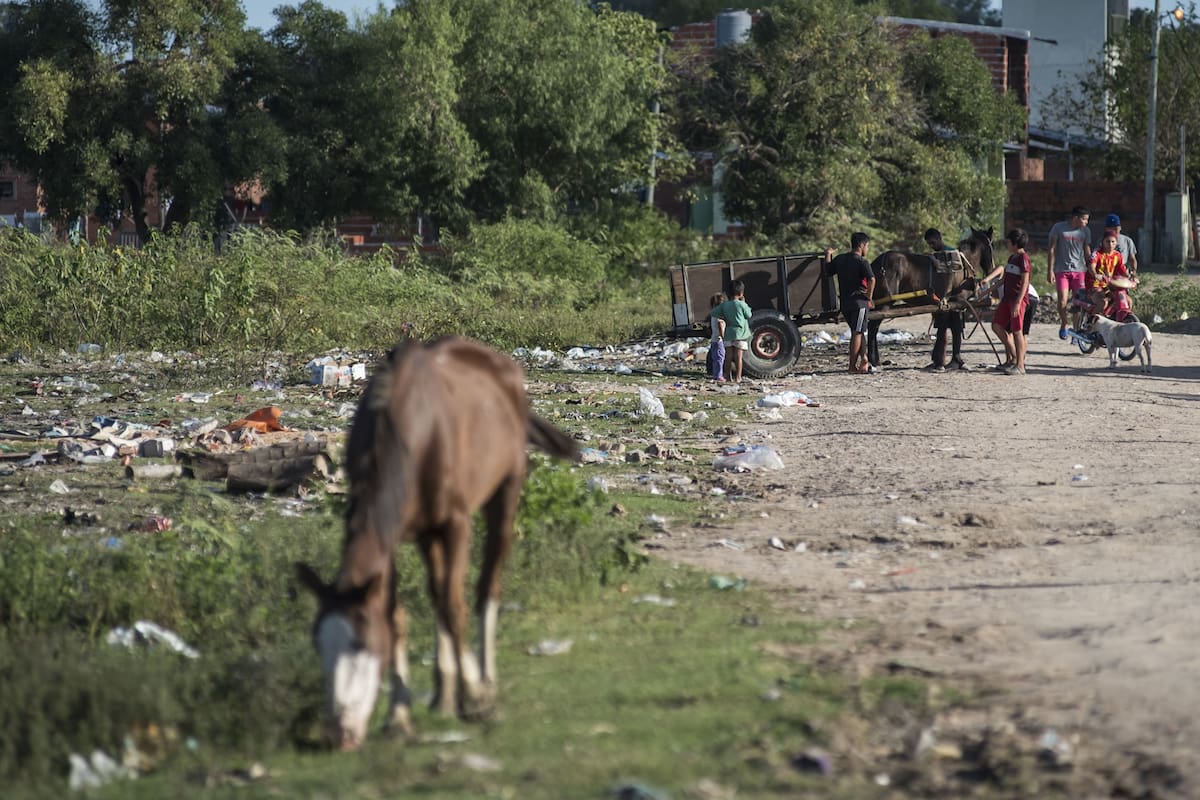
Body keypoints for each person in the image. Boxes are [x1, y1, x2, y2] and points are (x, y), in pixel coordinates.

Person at [980, 232, 1038, 372]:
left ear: (1015, 243)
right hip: (1006, 299)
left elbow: (1025, 282)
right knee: (996, 326)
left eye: (1008, 242)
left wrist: (1018, 302)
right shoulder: (1012, 258)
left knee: (1017, 331)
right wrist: (986, 291)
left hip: (1017, 300)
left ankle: (1020, 366)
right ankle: (1013, 355)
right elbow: (1003, 279)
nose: (1006, 245)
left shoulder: (1024, 259)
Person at [824, 232, 876, 374]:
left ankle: (864, 359)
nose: (867, 249)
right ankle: (852, 366)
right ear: (862, 245)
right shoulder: (862, 262)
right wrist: (868, 296)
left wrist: (828, 254)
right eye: (867, 246)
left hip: (846, 304)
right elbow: (872, 279)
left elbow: (828, 270)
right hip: (859, 304)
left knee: (860, 332)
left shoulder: (840, 259)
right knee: (857, 333)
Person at [923, 228, 969, 372]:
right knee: (941, 329)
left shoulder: (951, 253)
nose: (932, 245)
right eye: (929, 243)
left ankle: (955, 358)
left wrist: (934, 260)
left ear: (939, 238)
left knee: (956, 329)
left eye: (933, 242)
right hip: (941, 297)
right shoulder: (936, 254)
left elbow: (952, 272)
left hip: (953, 296)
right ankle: (939, 360)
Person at [1047, 206, 1092, 340]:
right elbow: (1052, 249)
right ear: (1076, 218)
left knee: (1079, 302)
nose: (1086, 222)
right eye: (1084, 219)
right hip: (1062, 271)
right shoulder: (1058, 228)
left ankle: (1076, 330)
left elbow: (1087, 250)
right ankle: (1064, 324)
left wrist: (1091, 268)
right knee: (1062, 302)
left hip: (1079, 271)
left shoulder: (1085, 231)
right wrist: (1050, 270)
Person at [711, 280, 752, 383]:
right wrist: (744, 302)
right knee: (738, 357)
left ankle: (728, 377)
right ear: (741, 293)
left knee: (728, 356)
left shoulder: (725, 305)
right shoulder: (741, 304)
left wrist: (724, 316)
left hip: (728, 333)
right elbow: (749, 315)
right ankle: (738, 377)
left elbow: (714, 312)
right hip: (740, 333)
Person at [707, 292, 727, 382]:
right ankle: (719, 375)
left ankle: (716, 374)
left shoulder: (713, 314)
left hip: (713, 339)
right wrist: (724, 336)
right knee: (720, 358)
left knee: (715, 358)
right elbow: (720, 325)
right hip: (719, 340)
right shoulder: (719, 316)